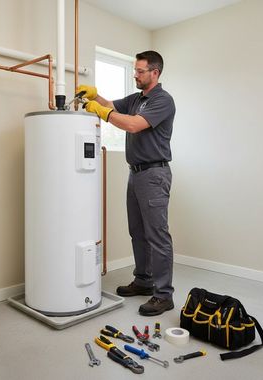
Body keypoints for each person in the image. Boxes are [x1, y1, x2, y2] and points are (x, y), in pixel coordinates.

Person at [78, 50, 175, 316]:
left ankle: (164, 294)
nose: (135, 74)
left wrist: (103, 113)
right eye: (134, 70)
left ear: (155, 72)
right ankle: (144, 280)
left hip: (155, 175)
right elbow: (111, 105)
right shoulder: (137, 98)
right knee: (138, 231)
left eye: (140, 71)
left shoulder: (162, 100)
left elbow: (133, 125)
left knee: (157, 235)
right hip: (136, 173)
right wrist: (94, 95)